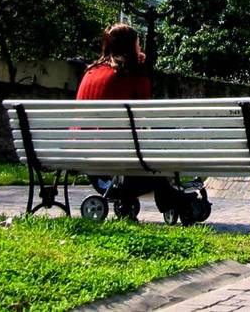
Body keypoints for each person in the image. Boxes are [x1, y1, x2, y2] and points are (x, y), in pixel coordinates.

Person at [77, 23, 181, 215]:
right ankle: (173, 202)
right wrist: (142, 70)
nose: (140, 48)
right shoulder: (130, 76)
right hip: (118, 161)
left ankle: (170, 200)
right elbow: (144, 117)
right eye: (138, 44)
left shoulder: (90, 72)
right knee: (155, 161)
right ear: (130, 47)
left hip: (86, 159)